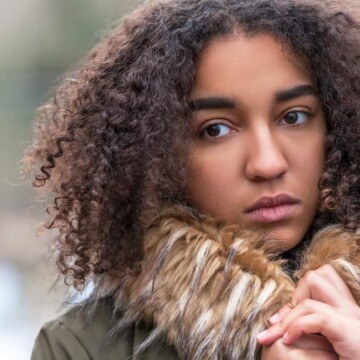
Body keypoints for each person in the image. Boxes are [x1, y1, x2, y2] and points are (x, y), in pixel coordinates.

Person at [24, 0, 360, 359]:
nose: (268, 163)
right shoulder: (78, 348)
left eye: (293, 117)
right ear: (156, 152)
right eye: (215, 129)